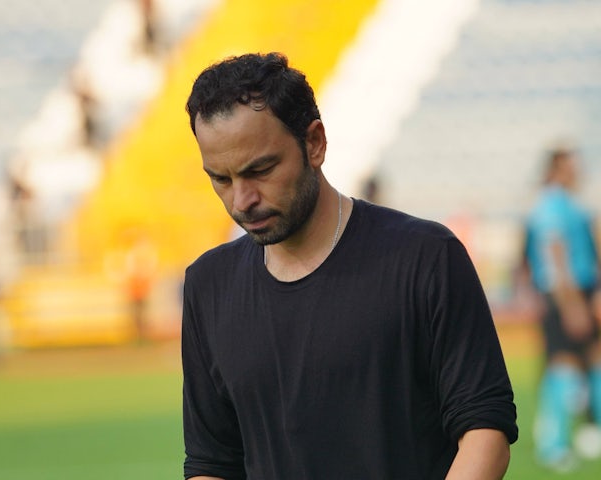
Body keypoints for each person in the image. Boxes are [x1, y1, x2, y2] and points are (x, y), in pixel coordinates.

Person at [181, 52, 518, 480]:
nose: (242, 200)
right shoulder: (207, 286)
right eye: (221, 179)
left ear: (315, 143)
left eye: (261, 169)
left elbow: (484, 429)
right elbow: (212, 462)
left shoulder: (425, 256)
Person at [522, 147, 601, 470]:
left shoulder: (571, 205)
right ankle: (552, 443)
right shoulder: (550, 206)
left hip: (582, 290)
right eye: (571, 167)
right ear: (556, 170)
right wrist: (571, 305)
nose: (577, 172)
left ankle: (589, 428)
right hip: (564, 293)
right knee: (564, 364)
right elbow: (556, 256)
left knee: (594, 360)